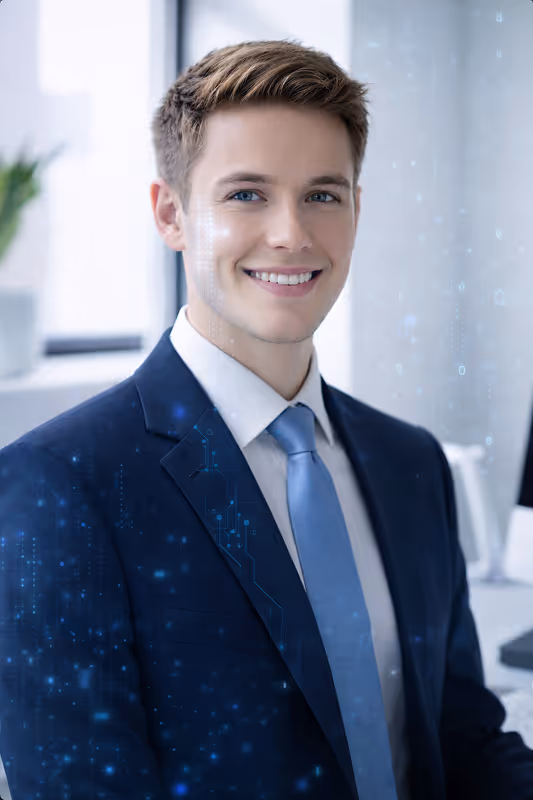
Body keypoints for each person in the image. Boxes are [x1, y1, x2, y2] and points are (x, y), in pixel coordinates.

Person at [0, 38, 532, 800]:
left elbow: (464, 743)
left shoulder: (410, 465)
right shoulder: (61, 486)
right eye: (246, 194)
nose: (292, 234)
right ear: (171, 214)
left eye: (323, 194)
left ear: (356, 208)